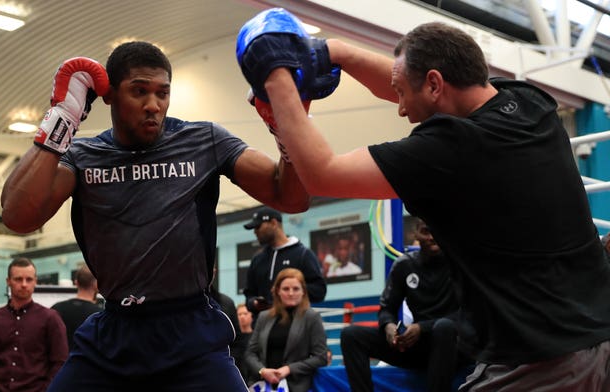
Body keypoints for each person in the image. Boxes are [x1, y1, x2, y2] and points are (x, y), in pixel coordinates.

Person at [237, 12, 610, 391]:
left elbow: (321, 173)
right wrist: (334, 52)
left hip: (543, 359)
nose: (399, 108)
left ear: (434, 83)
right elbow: (417, 82)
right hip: (598, 337)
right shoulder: (530, 103)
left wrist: (275, 77)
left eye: (401, 94)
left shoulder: (451, 148)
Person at [0, 41, 312, 391]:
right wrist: (62, 118)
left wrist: (288, 129)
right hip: (114, 336)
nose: (153, 105)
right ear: (110, 95)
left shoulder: (203, 140)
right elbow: (17, 216)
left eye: (162, 93)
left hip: (190, 334)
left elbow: (291, 197)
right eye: (139, 91)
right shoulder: (84, 155)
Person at [341, 218, 471, 392]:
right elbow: (387, 308)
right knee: (351, 335)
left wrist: (422, 327)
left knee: (444, 327)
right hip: (419, 348)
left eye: (436, 232)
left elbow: (468, 314)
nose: (431, 237)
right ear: (415, 234)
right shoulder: (405, 265)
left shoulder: (461, 264)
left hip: (455, 348)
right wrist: (389, 326)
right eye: (425, 231)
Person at [0, 257, 68, 392]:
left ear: (35, 281)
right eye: (18, 279)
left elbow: (59, 362)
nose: (24, 284)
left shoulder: (50, 318)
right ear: (8, 282)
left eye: (29, 279)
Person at [244, 268, 328, 392]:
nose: (290, 293)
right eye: (285, 289)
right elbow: (250, 353)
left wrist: (289, 369)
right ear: (277, 291)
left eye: (296, 289)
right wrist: (262, 371)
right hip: (261, 384)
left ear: (303, 291)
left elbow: (321, 357)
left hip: (295, 386)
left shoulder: (312, 317)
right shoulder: (264, 317)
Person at [243, 206, 326, 321]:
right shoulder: (258, 259)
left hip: (295, 325)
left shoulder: (303, 254)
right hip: (264, 327)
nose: (255, 232)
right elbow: (249, 295)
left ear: (273, 223)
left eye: (258, 227)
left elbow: (319, 291)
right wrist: (254, 303)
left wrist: (289, 292)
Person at [51, 264, 102, 350]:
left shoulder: (56, 308)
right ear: (96, 285)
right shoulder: (100, 315)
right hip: (87, 362)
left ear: (76, 283)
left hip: (61, 361)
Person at [233, 303, 256, 384]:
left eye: (245, 314)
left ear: (251, 316)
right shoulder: (234, 339)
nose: (242, 317)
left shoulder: (257, 338)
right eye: (239, 314)